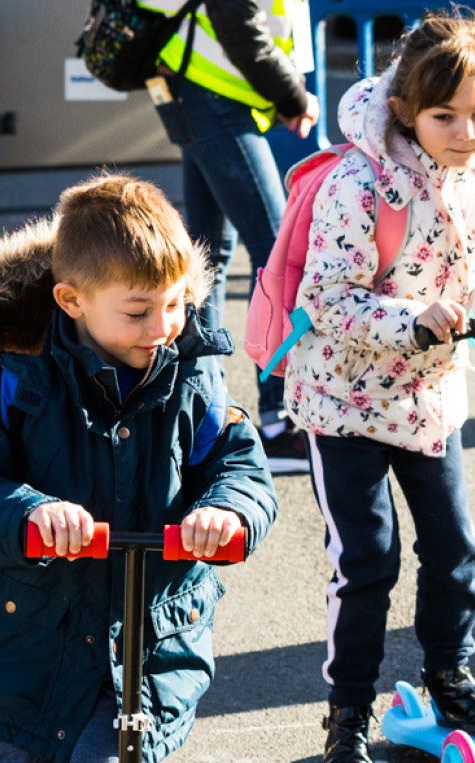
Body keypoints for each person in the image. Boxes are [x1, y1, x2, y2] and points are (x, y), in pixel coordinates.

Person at [0, 173, 278, 763]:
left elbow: (240, 464)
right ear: (71, 300)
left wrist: (227, 512)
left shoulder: (191, 377)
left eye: (176, 304)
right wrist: (30, 511)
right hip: (25, 639)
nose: (164, 326)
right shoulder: (17, 381)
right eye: (139, 311)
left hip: (138, 643)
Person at [281, 11, 475, 763]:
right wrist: (410, 320)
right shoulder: (358, 182)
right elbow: (329, 297)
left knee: (456, 549)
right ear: (407, 110)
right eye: (447, 117)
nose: (468, 132)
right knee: (366, 560)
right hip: (342, 399)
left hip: (429, 399)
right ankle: (347, 717)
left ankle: (449, 676)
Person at [139, 0, 320, 474]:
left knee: (203, 261)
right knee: (281, 255)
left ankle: (203, 420)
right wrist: (293, 96)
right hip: (215, 95)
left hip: (196, 90)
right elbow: (242, 30)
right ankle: (277, 425)